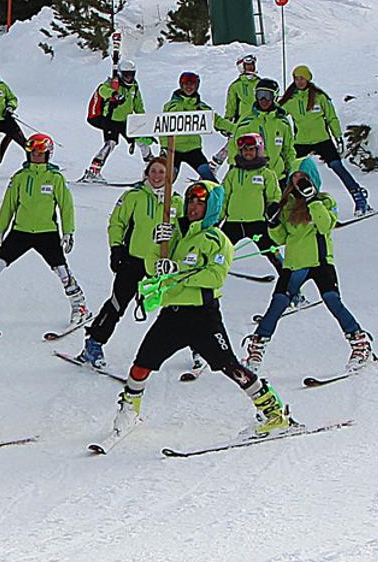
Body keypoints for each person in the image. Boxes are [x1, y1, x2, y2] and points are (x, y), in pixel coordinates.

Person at [105, 181, 294, 440]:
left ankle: (272, 410)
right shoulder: (175, 234)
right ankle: (129, 409)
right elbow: (153, 267)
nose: (194, 207)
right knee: (141, 365)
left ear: (212, 207)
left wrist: (178, 270)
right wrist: (155, 246)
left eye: (201, 203)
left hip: (202, 316)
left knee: (230, 366)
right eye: (191, 201)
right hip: (172, 313)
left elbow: (214, 277)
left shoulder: (218, 240)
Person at [244, 160, 374, 373]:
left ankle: (359, 342)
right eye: (294, 180)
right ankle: (257, 348)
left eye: (302, 180)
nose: (298, 185)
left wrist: (312, 199)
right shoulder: (288, 205)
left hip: (320, 261)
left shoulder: (324, 200)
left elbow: (326, 225)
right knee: (278, 304)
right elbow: (280, 239)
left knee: (332, 300)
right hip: (295, 264)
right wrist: (273, 222)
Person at [0, 133, 85, 329]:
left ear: (48, 154)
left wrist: (68, 231)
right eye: (32, 152)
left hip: (46, 232)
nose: (36, 156)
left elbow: (66, 206)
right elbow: (8, 204)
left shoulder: (55, 178)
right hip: (20, 231)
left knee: (61, 270)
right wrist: (0, 230)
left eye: (40, 153)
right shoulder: (20, 177)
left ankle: (79, 306)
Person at [74, 157, 178, 368]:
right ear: (147, 173)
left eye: (162, 172)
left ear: (170, 176)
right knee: (117, 303)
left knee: (180, 305)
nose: (157, 176)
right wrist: (116, 248)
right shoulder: (134, 196)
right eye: (154, 171)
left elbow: (184, 232)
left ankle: (196, 348)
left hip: (162, 263)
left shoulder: (176, 201)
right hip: (134, 260)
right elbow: (117, 223)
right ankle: (93, 343)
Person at [281, 65, 370, 214]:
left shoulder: (319, 97)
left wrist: (338, 137)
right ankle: (290, 206)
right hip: (301, 141)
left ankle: (360, 199)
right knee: (292, 173)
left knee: (337, 166)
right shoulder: (291, 99)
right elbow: (278, 114)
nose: (299, 81)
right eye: (296, 78)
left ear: (308, 79)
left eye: (302, 78)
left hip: (322, 139)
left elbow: (331, 117)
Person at [219, 132, 290, 282]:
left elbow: (274, 195)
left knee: (271, 252)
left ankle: (291, 286)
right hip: (233, 222)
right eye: (245, 150)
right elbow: (224, 197)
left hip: (257, 222)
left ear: (259, 150)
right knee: (219, 249)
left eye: (251, 149)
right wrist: (217, 218)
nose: (248, 153)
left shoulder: (266, 174)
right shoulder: (233, 174)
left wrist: (273, 207)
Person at [80, 59, 155, 184]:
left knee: (141, 141)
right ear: (120, 74)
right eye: (126, 74)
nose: (129, 77)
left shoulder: (134, 87)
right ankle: (94, 171)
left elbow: (138, 105)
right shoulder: (113, 83)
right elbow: (102, 90)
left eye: (131, 74)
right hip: (110, 119)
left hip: (127, 121)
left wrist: (143, 123)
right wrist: (113, 94)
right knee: (111, 143)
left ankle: (150, 171)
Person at [225, 78, 294, 177]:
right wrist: (235, 166)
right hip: (253, 176)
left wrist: (291, 170)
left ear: (274, 97)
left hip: (277, 175)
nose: (263, 100)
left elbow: (288, 150)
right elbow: (234, 146)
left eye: (267, 96)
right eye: (260, 95)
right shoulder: (247, 121)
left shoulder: (282, 122)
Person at [163, 71, 218, 181]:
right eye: (186, 84)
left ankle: (217, 197)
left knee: (209, 179)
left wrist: (234, 129)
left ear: (196, 86)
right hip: (174, 149)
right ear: (181, 85)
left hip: (193, 148)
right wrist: (164, 147)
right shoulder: (172, 105)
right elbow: (164, 125)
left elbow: (215, 120)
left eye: (192, 84)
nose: (189, 87)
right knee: (166, 181)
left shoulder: (200, 106)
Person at [213, 55, 261, 165]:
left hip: (259, 123)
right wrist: (228, 122)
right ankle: (217, 167)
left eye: (252, 65)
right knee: (235, 147)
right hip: (242, 123)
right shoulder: (236, 86)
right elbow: (231, 107)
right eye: (247, 66)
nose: (250, 68)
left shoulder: (260, 83)